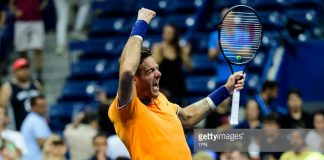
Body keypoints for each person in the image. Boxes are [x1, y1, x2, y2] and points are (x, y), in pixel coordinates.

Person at [108, 8, 245, 159]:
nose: (158, 74)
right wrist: (141, 23)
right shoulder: (127, 107)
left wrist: (225, 90)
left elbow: (188, 116)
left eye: (157, 69)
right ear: (135, 79)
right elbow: (127, 69)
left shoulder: (160, 99)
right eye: (149, 72)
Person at [151, 23, 192, 102]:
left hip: (179, 88)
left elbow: (189, 68)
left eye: (169, 33)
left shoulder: (180, 49)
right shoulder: (158, 48)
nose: (166, 35)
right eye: (165, 32)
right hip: (163, 89)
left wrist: (185, 55)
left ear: (175, 34)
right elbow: (153, 68)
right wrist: (158, 52)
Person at [9, 0, 48, 81]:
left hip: (36, 19)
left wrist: (42, 6)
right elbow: (11, 3)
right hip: (21, 21)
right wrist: (15, 12)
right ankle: (26, 74)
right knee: (22, 50)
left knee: (38, 48)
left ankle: (39, 76)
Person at [0, 58, 42, 130]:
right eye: (21, 69)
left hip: (36, 127)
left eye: (26, 68)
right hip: (18, 128)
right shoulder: (8, 87)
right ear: (15, 71)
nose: (25, 71)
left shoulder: (36, 85)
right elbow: (1, 109)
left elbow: (42, 104)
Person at [20, 95, 51, 160]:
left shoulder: (31, 119)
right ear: (33, 107)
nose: (45, 109)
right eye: (41, 106)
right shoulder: (36, 121)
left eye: (45, 106)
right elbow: (42, 142)